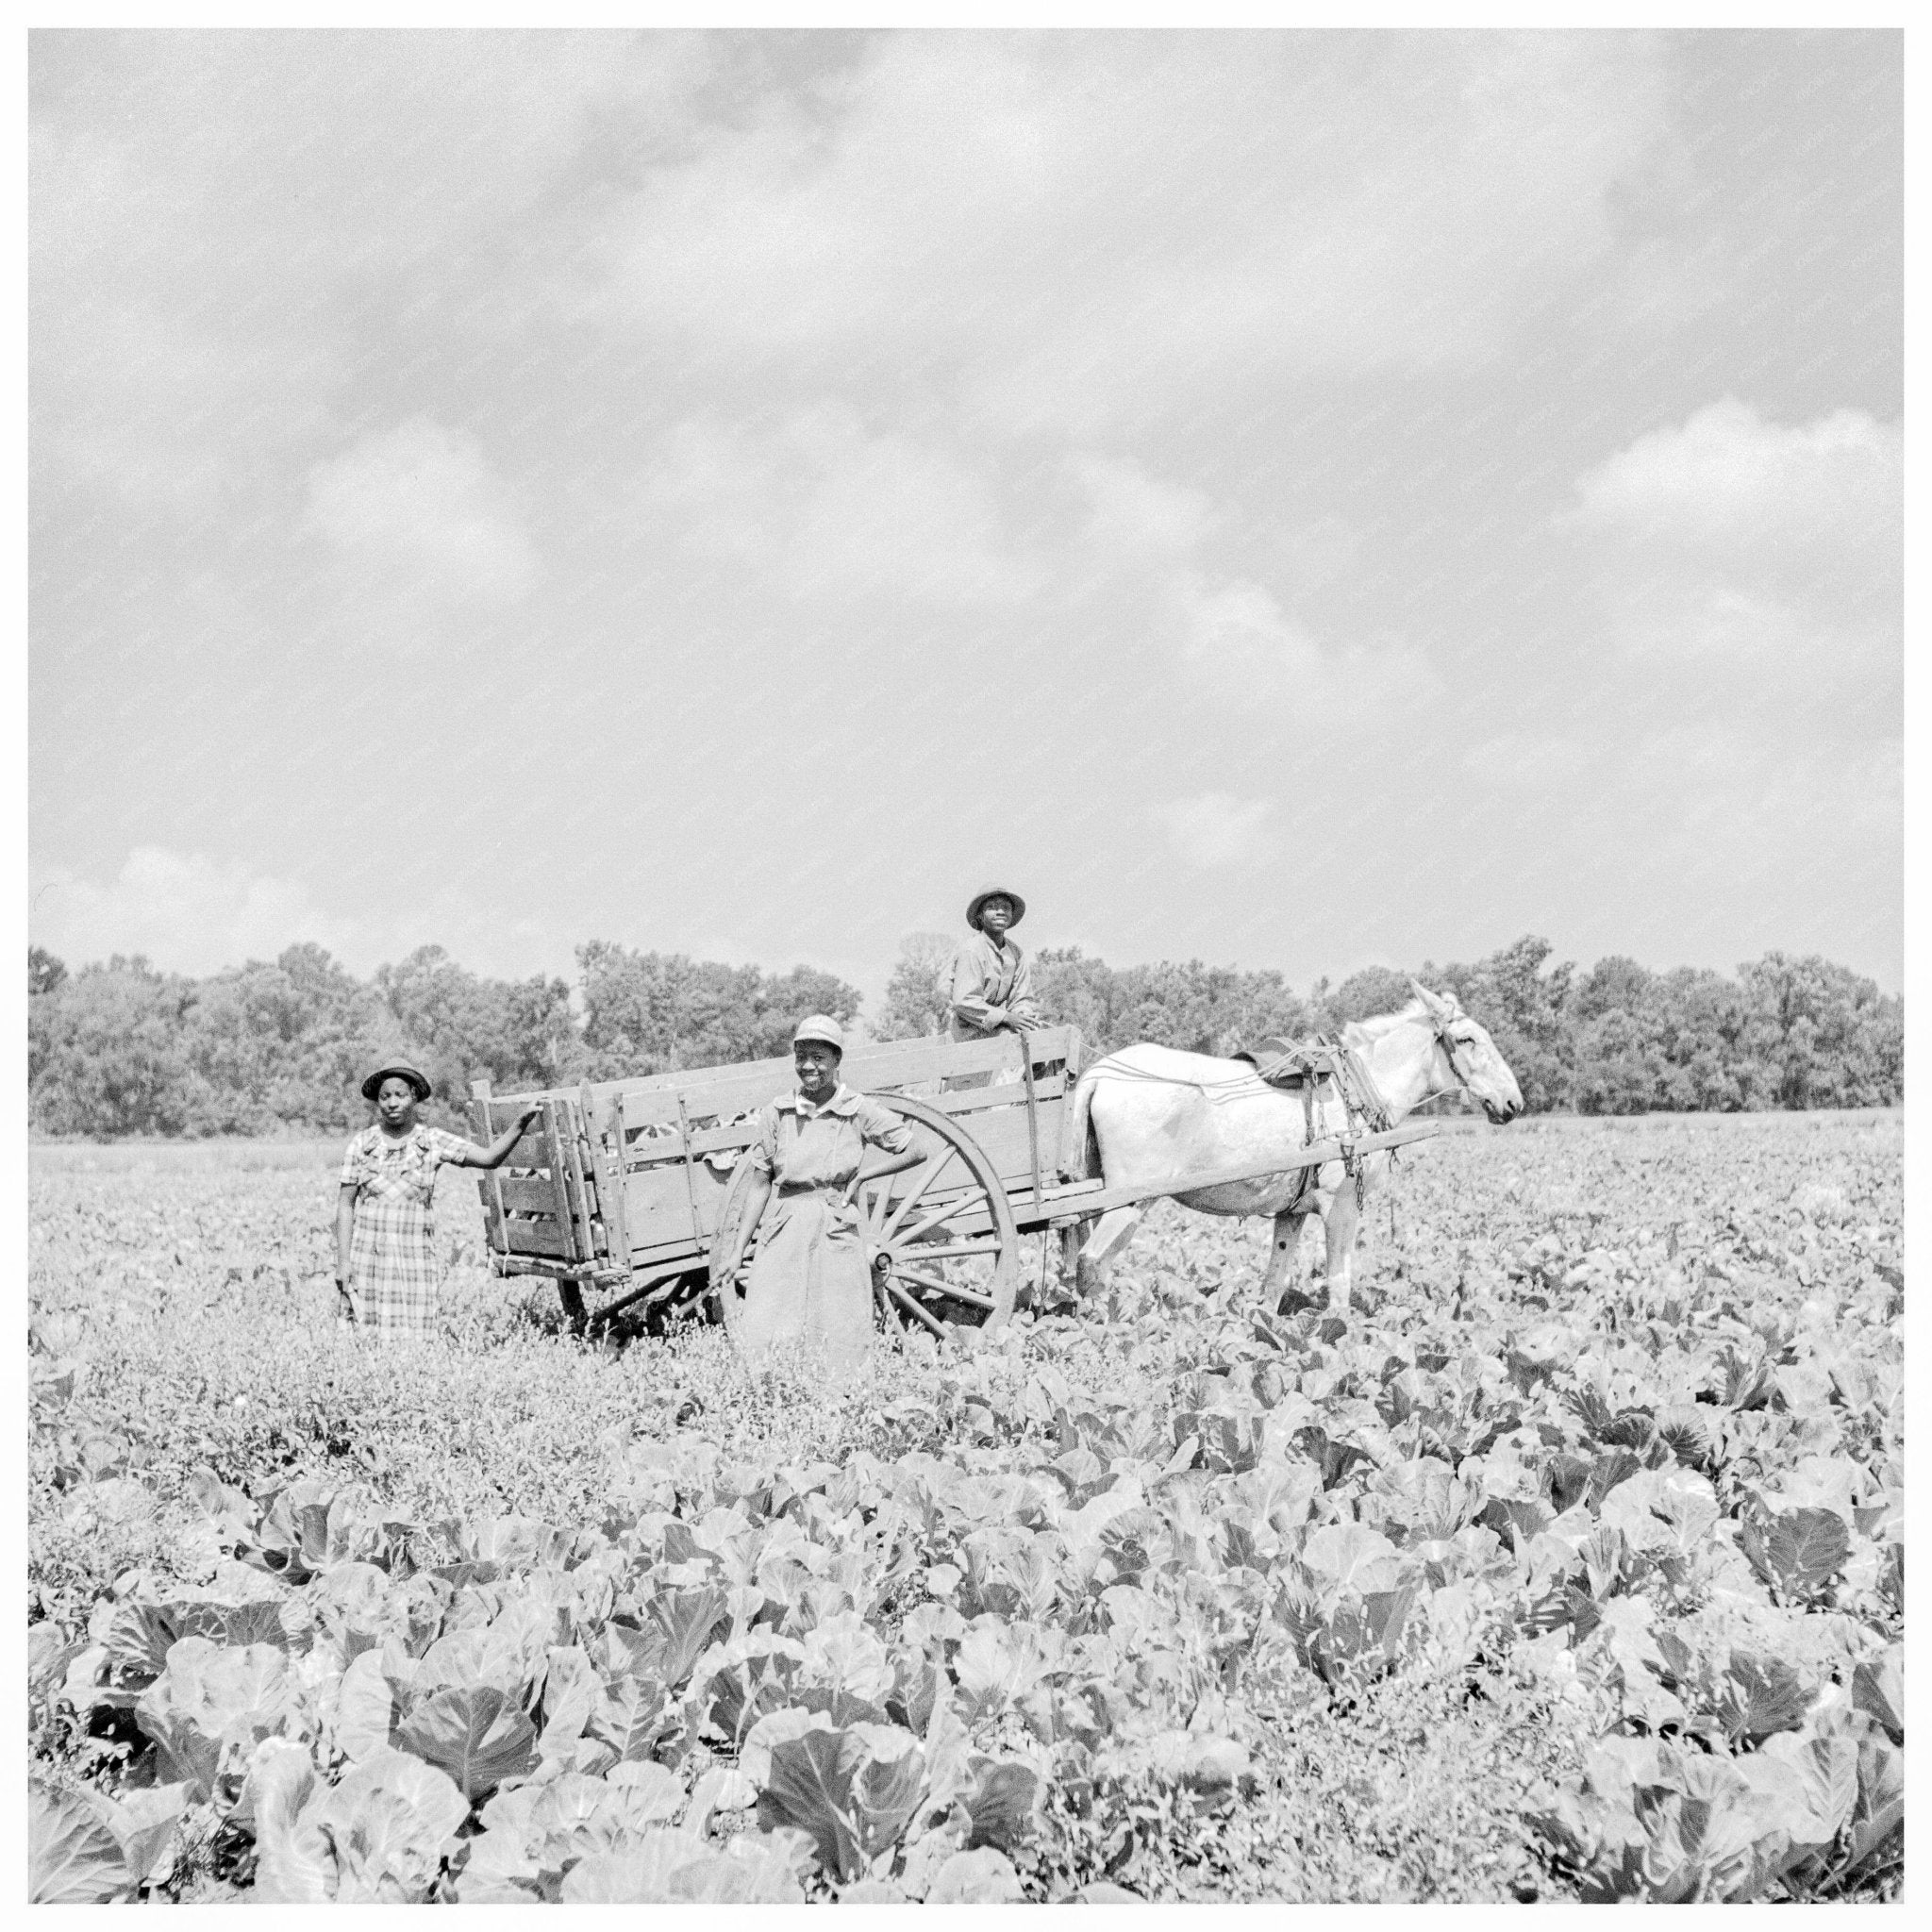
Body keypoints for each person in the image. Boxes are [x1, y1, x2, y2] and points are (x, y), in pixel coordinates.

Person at [716, 1016, 923, 1377]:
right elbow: (761, 1184)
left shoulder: (857, 1110)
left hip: (836, 1225)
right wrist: (737, 1252)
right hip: (787, 1223)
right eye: (801, 1057)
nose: (809, 1067)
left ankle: (840, 1398)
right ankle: (781, 1392)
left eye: (818, 1058)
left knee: (840, 1317)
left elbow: (916, 1149)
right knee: (773, 1314)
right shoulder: (777, 1112)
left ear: (837, 1060)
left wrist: (864, 1176)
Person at [334, 1060, 541, 1344]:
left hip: (414, 1257)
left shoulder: (432, 1141)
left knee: (415, 1342)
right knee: (366, 1341)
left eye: (400, 1095)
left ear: (415, 1097)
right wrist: (343, 1262)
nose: (392, 1103)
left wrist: (520, 1123)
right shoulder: (362, 1144)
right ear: (377, 1101)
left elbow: (490, 1158)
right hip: (368, 1257)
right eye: (385, 1096)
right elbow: (346, 1206)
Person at [946, 887, 1041, 1090]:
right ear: (980, 916)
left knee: (1043, 1040)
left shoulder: (1016, 953)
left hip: (1001, 1028)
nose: (1000, 912)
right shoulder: (971, 950)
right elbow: (964, 1002)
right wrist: (1006, 1018)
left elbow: (1022, 998)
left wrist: (1023, 1018)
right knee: (1008, 1042)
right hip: (968, 1033)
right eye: (992, 907)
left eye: (1006, 908)